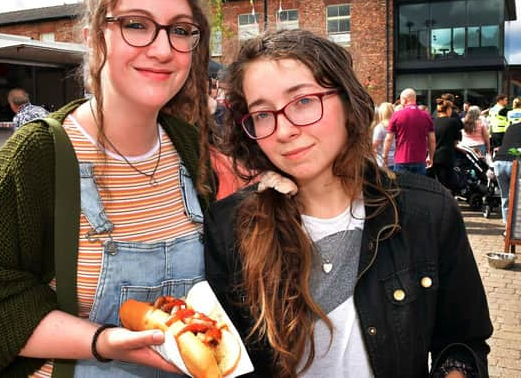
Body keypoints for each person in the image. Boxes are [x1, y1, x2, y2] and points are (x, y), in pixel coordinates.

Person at [0, 0, 216, 377]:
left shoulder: (191, 149)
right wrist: (103, 342)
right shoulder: (40, 154)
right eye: (136, 24)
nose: (162, 49)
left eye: (180, 30)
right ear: (92, 38)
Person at [204, 30, 492, 378]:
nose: (283, 130)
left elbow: (462, 341)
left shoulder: (427, 212)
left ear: (348, 101)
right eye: (263, 114)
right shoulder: (230, 225)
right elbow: (225, 358)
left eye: (303, 101)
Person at [383, 88, 436, 175]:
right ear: (414, 99)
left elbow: (388, 139)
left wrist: (385, 156)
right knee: (419, 187)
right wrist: (430, 156)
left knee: (402, 187)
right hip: (420, 159)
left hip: (401, 159)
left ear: (404, 99)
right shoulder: (426, 116)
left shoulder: (396, 115)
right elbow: (432, 140)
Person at [493, 120, 521, 226]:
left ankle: (507, 225)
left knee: (505, 195)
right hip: (513, 163)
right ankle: (516, 225)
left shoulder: (511, 127)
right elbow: (514, 150)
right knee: (517, 195)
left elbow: (507, 146)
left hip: (498, 162)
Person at [432, 98, 463, 191]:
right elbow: (456, 140)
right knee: (448, 183)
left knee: (437, 182)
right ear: (448, 109)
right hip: (447, 156)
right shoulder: (452, 122)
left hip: (433, 156)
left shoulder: (432, 121)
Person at [372, 102, 395, 170]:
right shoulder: (397, 126)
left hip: (382, 162)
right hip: (396, 161)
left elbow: (374, 147)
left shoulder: (380, 127)